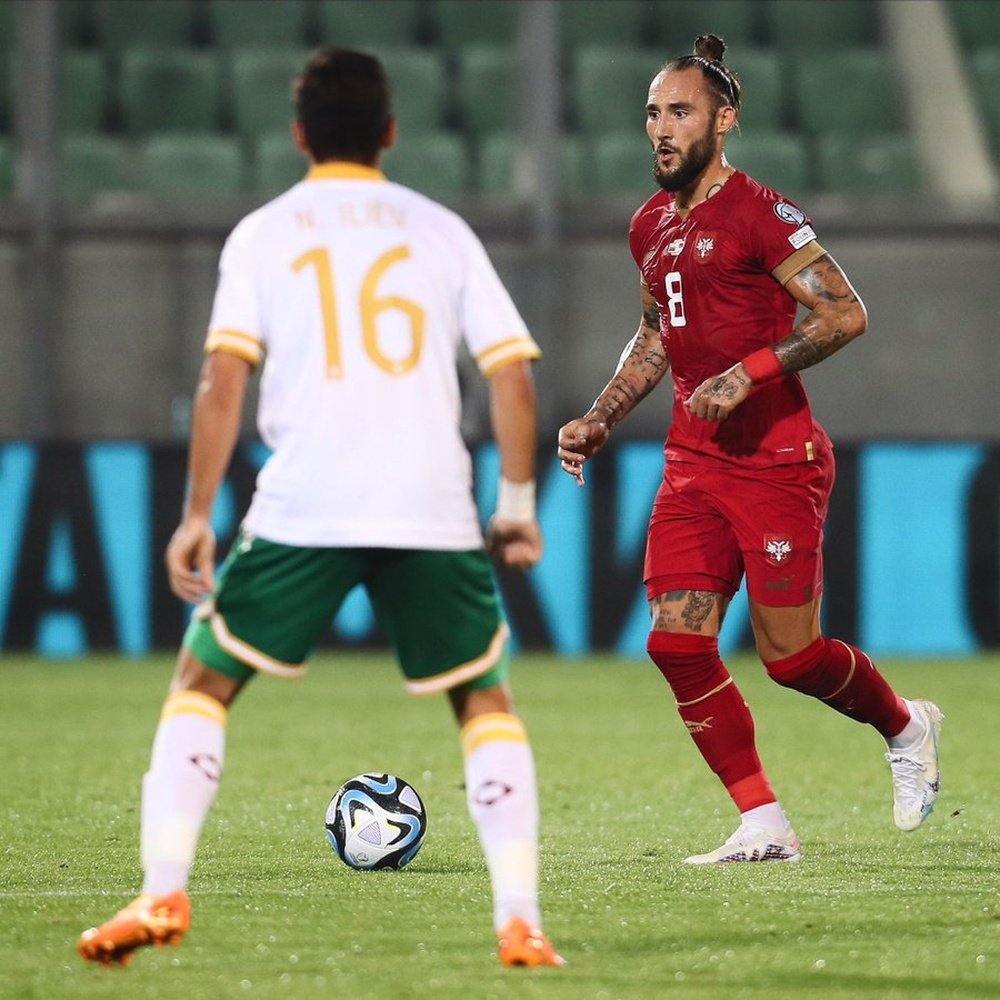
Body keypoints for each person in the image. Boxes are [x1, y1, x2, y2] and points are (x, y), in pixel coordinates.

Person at [78, 49, 562, 968]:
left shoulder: (264, 232)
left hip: (307, 500)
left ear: (299, 134)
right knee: (482, 699)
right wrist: (517, 503)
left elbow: (224, 377)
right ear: (389, 131)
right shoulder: (441, 230)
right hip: (429, 500)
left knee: (204, 680)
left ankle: (162, 891)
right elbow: (511, 373)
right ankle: (520, 919)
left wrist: (194, 515)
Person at [557, 34, 942, 864]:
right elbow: (655, 338)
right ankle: (763, 821)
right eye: (653, 113)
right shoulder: (650, 226)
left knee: (792, 657)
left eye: (680, 112)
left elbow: (843, 313)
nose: (661, 129)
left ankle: (907, 725)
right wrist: (602, 414)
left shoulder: (762, 215)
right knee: (675, 643)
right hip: (693, 465)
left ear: (723, 120)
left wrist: (752, 371)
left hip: (776, 462)